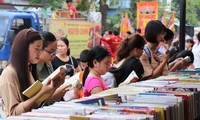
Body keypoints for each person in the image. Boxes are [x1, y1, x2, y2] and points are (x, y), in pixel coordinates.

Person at [0, 29, 64, 117]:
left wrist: (53, 87)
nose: (39, 53)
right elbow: (13, 113)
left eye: (41, 50)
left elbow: (39, 105)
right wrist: (41, 92)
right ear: (23, 48)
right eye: (37, 49)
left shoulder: (29, 68)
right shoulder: (9, 73)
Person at [37, 31, 71, 102]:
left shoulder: (48, 64)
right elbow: (37, 101)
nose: (54, 55)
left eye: (55, 52)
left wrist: (58, 85)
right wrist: (57, 92)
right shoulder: (31, 68)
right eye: (51, 52)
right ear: (40, 49)